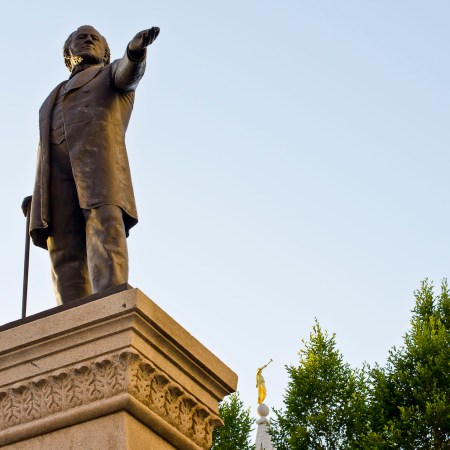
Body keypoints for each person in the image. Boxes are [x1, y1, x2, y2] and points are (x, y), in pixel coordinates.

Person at [24, 25, 160, 304]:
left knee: (104, 228)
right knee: (61, 247)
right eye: (80, 38)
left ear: (104, 52)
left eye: (93, 38)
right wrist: (38, 193)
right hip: (56, 177)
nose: (87, 41)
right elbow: (45, 150)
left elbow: (128, 74)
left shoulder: (109, 75)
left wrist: (134, 54)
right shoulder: (50, 99)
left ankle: (108, 307)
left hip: (99, 167)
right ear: (68, 53)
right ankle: (71, 316)